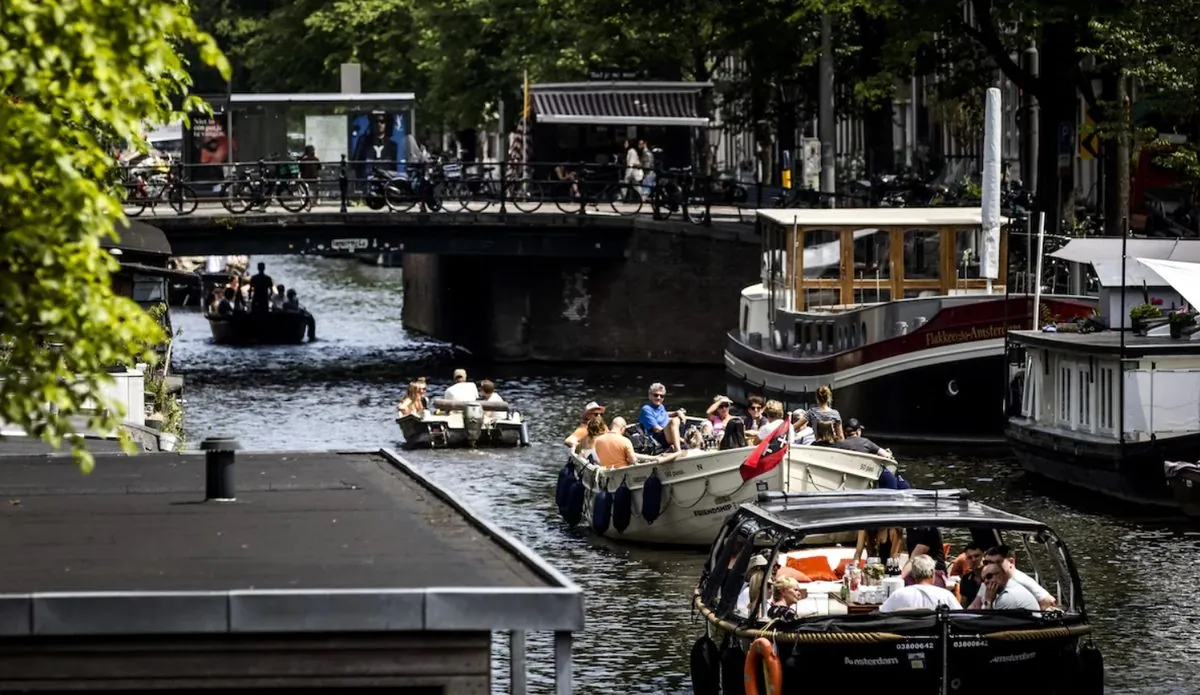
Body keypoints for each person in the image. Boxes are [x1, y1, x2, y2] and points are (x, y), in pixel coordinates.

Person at [879, 554, 961, 613]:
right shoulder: (945, 595)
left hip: (906, 635)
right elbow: (960, 616)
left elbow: (883, 613)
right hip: (936, 635)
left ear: (913, 575)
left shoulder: (898, 594)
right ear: (932, 573)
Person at [639, 382, 684, 452]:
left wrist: (677, 412)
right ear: (650, 396)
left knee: (679, 419)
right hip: (656, 438)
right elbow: (656, 429)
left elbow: (665, 414)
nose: (659, 398)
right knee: (674, 421)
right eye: (656, 395)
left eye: (661, 396)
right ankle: (678, 450)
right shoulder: (646, 409)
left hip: (666, 434)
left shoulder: (660, 407)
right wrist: (679, 438)